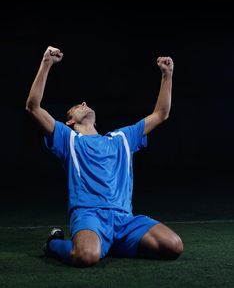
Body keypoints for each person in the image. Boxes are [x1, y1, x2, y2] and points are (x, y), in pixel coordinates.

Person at [26, 46, 183, 267]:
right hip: (90, 216)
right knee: (86, 256)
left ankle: (111, 244)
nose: (84, 104)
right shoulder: (67, 138)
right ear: (70, 121)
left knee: (174, 246)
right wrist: (46, 63)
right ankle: (53, 244)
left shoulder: (122, 138)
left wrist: (167, 75)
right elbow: (33, 107)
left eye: (86, 104)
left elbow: (161, 114)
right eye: (78, 106)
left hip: (124, 219)